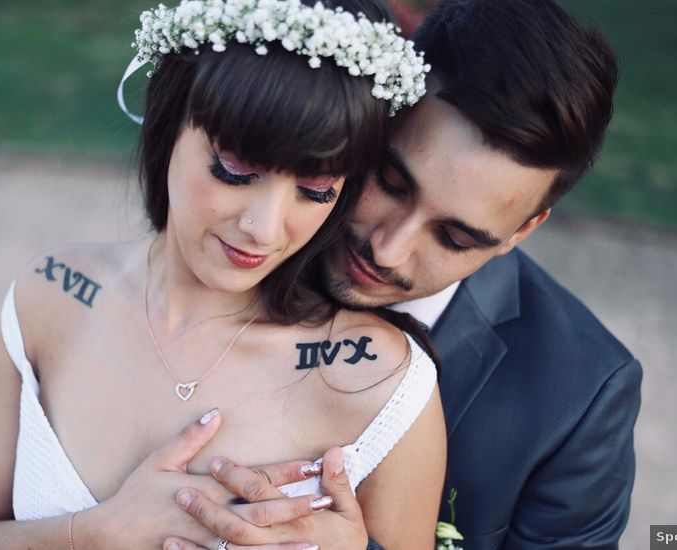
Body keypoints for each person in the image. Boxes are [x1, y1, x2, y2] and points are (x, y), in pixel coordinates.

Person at [0, 0, 448, 549]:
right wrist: (93, 534)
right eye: (236, 170)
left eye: (316, 188)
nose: (265, 228)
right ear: (169, 121)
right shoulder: (51, 294)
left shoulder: (375, 382)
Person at [161, 0, 643, 549]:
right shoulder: (237, 242)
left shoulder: (578, 400)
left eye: (455, 238)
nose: (388, 250)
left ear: (522, 231)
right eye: (390, 182)